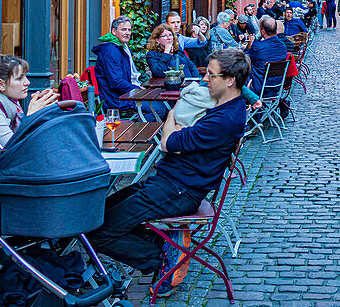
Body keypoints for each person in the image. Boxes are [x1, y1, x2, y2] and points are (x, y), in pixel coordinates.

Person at [89, 48, 249, 299]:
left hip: (180, 190)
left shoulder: (224, 118)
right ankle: (168, 246)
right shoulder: (223, 107)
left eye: (211, 75)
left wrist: (173, 115)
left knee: (97, 231)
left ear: (229, 80)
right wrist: (173, 126)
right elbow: (173, 137)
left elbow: (168, 143)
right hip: (170, 182)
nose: (205, 79)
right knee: (97, 214)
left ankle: (160, 261)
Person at [92, 16, 144, 113]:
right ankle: (135, 128)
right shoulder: (110, 51)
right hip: (116, 100)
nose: (127, 33)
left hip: (125, 96)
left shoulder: (122, 48)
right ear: (114, 31)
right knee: (159, 108)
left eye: (129, 30)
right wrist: (138, 89)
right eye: (123, 29)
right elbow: (116, 82)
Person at [245, 15, 289, 95]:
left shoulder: (258, 47)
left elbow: (244, 58)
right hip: (276, 86)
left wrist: (249, 46)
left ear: (262, 31)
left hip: (258, 87)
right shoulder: (283, 47)